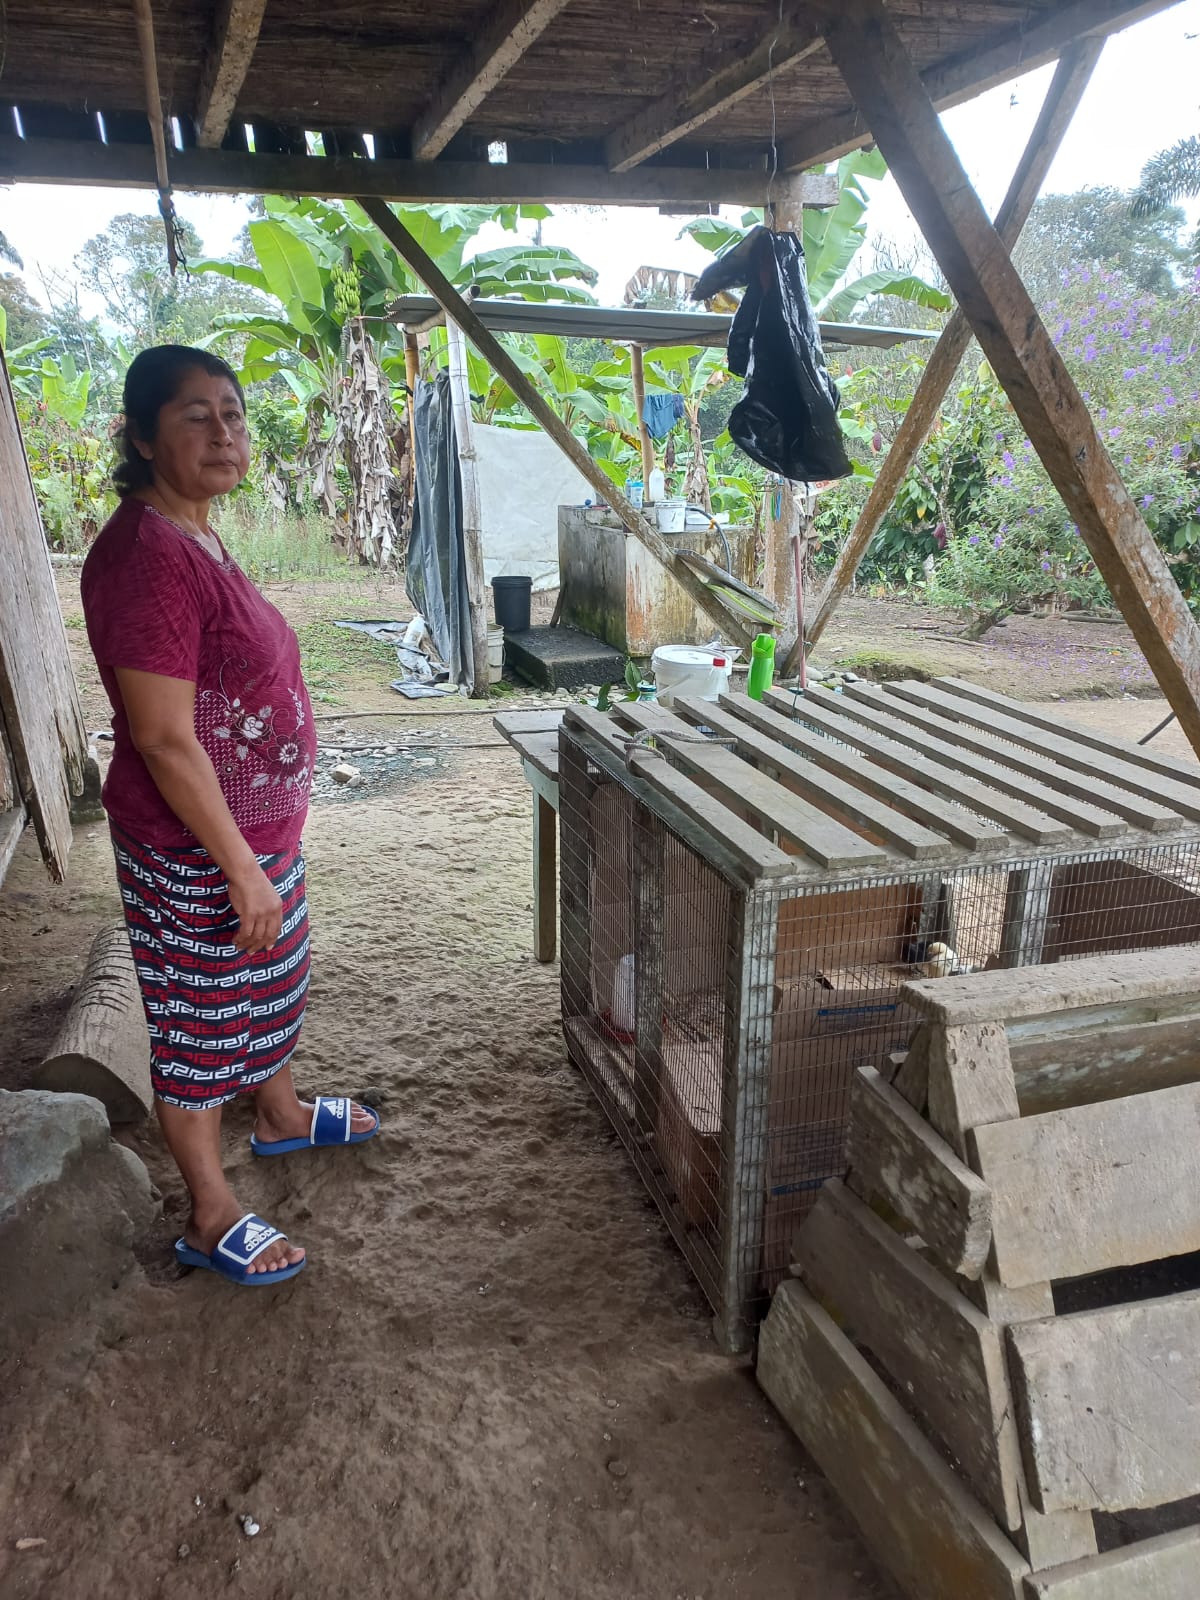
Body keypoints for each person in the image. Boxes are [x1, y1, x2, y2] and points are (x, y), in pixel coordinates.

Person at [81, 345, 379, 1287]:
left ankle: (281, 1115)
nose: (224, 433)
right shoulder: (145, 559)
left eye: (234, 414)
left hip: (253, 835)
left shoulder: (194, 533)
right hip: (193, 849)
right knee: (201, 1025)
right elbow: (165, 739)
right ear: (140, 436)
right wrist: (240, 868)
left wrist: (262, 850)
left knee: (271, 982)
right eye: (195, 416)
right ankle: (210, 1213)